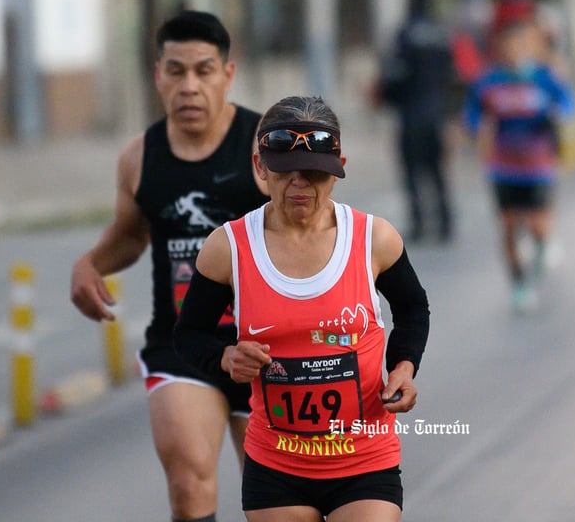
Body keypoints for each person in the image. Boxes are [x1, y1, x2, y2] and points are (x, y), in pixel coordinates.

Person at [172, 95, 431, 521]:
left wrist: (403, 367)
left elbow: (413, 309)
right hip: (277, 467)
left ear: (339, 167)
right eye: (284, 172)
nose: (300, 186)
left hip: (364, 458)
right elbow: (189, 334)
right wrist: (225, 357)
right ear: (260, 167)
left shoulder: (373, 239)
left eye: (315, 174)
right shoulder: (229, 248)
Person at [70, 11, 268, 522]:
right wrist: (91, 263)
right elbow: (132, 233)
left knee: (275, 503)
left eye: (204, 71)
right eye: (176, 71)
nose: (189, 86)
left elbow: (315, 233)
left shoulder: (263, 149)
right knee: (188, 483)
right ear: (157, 75)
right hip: (185, 343)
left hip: (268, 346)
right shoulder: (140, 158)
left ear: (227, 74)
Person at [464, 17, 575, 313]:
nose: (514, 52)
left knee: (539, 225)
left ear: (528, 48)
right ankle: (520, 284)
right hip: (503, 166)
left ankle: (541, 246)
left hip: (538, 165)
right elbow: (473, 113)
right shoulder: (489, 81)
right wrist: (478, 128)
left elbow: (568, 102)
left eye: (520, 46)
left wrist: (558, 112)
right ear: (501, 50)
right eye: (508, 47)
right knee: (509, 228)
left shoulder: (543, 78)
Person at [379, 0, 455, 243]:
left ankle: (420, 222)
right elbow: (452, 75)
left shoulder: (405, 34)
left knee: (412, 171)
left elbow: (394, 75)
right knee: (437, 170)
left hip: (411, 114)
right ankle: (445, 221)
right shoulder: (442, 34)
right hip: (437, 113)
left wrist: (387, 98)